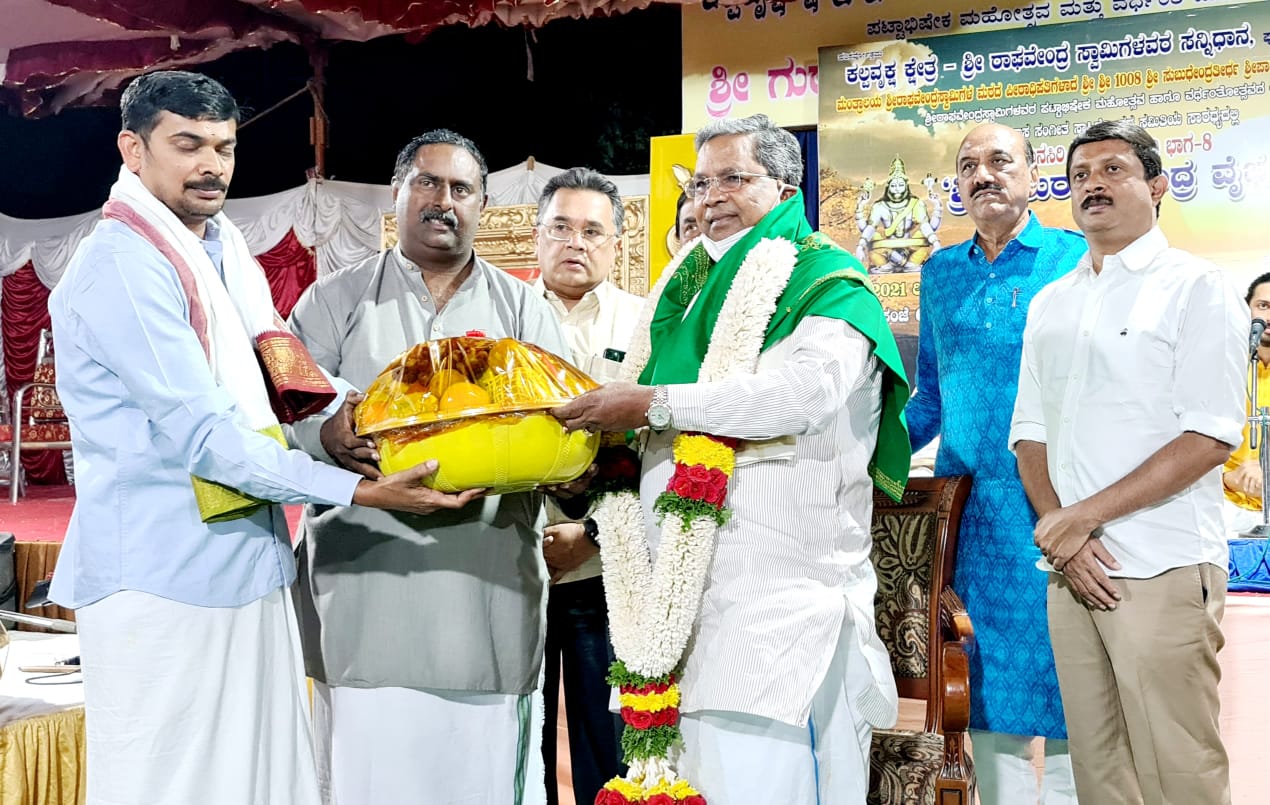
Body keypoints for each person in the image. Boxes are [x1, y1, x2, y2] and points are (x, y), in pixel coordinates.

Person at [47, 70, 457, 805]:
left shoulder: (221, 242)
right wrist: (359, 489)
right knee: (170, 783)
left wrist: (346, 413)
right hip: (160, 576)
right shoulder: (122, 265)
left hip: (247, 560)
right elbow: (207, 437)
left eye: (225, 147)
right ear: (132, 150)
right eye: (188, 145)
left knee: (257, 776)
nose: (212, 165)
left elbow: (277, 363)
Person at [552, 113, 910, 804]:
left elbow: (797, 396)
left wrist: (654, 404)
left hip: (774, 612)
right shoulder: (681, 295)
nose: (709, 196)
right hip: (675, 611)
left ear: (783, 185)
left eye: (733, 178)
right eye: (700, 182)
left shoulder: (828, 283)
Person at [286, 129, 570, 805]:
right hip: (363, 582)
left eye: (462, 188)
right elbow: (283, 411)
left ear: (483, 204)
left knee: (482, 771)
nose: (444, 201)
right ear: (397, 192)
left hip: (487, 583)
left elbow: (564, 420)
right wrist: (325, 431)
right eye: (428, 183)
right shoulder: (332, 301)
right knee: (361, 774)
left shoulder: (524, 308)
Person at [1010, 120, 1245, 805]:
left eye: (1113, 170)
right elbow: (1029, 434)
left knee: (1180, 768)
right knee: (1098, 768)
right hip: (1073, 573)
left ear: (1157, 186)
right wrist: (1064, 529)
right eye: (1081, 175)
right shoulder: (1053, 300)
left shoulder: (1196, 287)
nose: (1093, 186)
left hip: (1162, 565)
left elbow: (1209, 438)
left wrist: (1080, 519)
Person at [905, 122, 1083, 805]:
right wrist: (862, 457)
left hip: (1059, 509)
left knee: (1071, 684)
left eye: (1000, 161)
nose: (984, 174)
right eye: (969, 164)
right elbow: (932, 398)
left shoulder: (1072, 258)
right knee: (982, 688)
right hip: (971, 521)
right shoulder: (940, 273)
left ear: (1034, 175)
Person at [530, 167, 643, 805]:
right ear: (537, 237)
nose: (576, 242)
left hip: (610, 568)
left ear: (617, 243)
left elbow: (661, 449)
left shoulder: (646, 324)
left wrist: (593, 534)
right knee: (524, 737)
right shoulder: (502, 320)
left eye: (592, 231)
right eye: (561, 228)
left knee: (615, 741)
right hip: (519, 562)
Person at [1222, 271, 1270, 534]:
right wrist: (1228, 478)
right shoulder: (1220, 366)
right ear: (1246, 308)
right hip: (1224, 505)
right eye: (1263, 306)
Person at [854, 154, 942, 272]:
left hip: (911, 250)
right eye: (893, 185)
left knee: (923, 234)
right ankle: (887, 265)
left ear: (906, 186)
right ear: (888, 187)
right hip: (885, 253)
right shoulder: (879, 206)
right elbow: (867, 228)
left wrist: (936, 243)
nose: (897, 188)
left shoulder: (915, 203)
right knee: (873, 236)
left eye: (900, 185)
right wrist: (860, 246)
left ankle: (910, 264)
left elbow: (928, 226)